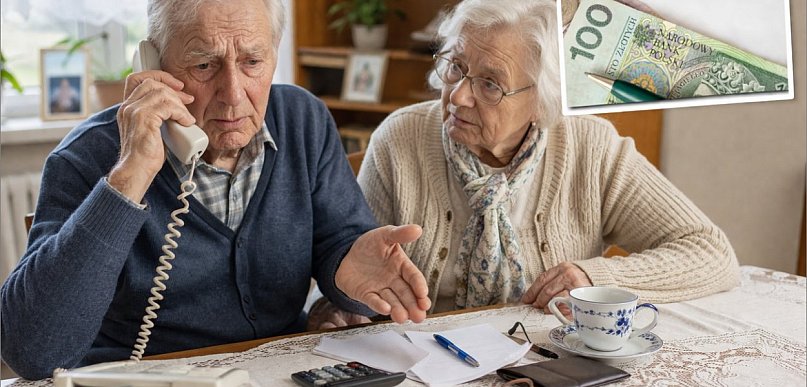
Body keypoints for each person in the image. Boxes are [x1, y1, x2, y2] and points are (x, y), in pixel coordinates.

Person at [0, 0, 430, 380]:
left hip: (279, 373)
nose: (233, 94)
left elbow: (340, 246)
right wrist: (130, 174)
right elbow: (32, 353)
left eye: (253, 61)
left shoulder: (303, 119)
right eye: (204, 65)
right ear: (153, 63)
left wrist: (347, 273)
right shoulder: (85, 157)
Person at [352, 0, 739, 314]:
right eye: (456, 66)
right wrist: (347, 305)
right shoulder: (399, 140)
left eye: (490, 84)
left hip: (551, 360)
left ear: (543, 98)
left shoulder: (591, 148)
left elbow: (709, 251)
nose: (458, 96)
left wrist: (594, 279)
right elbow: (350, 273)